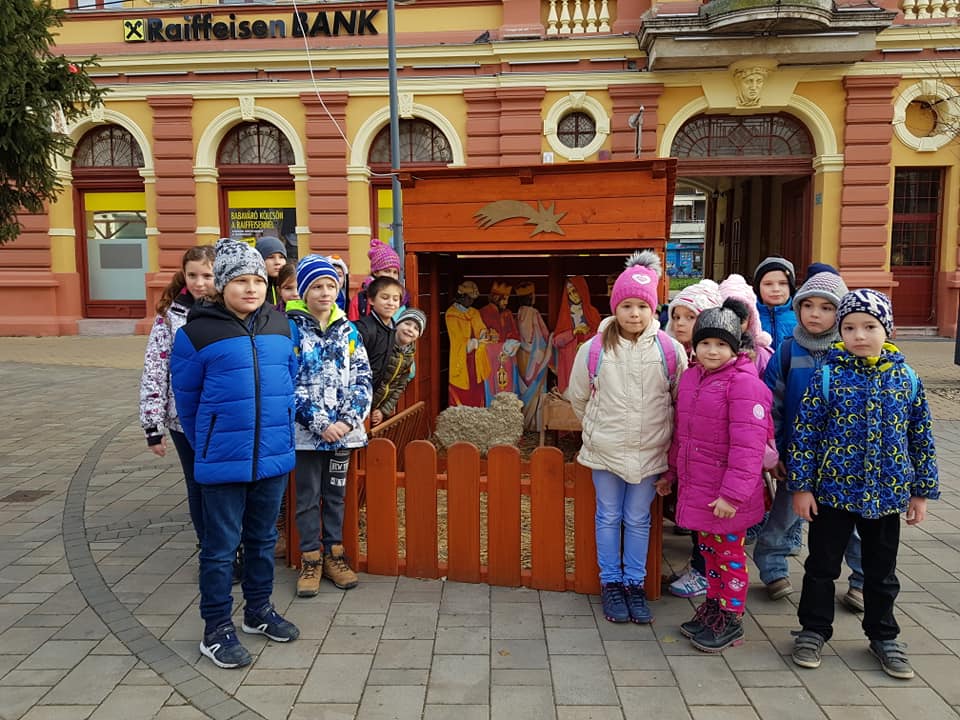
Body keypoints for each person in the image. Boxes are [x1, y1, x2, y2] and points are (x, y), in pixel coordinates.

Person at [788, 289, 939, 679]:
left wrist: (921, 492)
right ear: (840, 332)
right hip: (833, 494)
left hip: (886, 496)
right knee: (821, 567)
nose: (859, 335)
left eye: (869, 327)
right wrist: (801, 487)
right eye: (850, 327)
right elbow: (805, 435)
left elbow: (921, 437)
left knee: (881, 571)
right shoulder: (827, 375)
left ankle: (883, 635)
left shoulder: (906, 378)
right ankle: (813, 630)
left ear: (887, 330)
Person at [170, 238, 300, 669]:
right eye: (241, 281)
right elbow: (188, 402)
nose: (251, 288)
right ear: (222, 284)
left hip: (273, 456)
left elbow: (290, 380)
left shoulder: (282, 326)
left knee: (263, 540)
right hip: (223, 459)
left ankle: (258, 611)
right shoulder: (195, 334)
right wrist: (209, 443)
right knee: (221, 548)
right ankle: (216, 629)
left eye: (258, 280)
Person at [567, 251, 687, 625]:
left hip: (650, 453)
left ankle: (634, 583)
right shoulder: (594, 349)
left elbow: (679, 400)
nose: (634, 314)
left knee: (637, 518)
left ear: (653, 309)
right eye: (627, 306)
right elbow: (579, 397)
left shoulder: (669, 350)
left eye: (642, 306)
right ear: (615, 308)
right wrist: (599, 429)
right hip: (606, 451)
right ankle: (611, 583)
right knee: (608, 515)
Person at [658, 306, 771, 652]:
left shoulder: (744, 384)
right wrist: (671, 473)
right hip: (701, 489)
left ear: (735, 347)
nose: (711, 350)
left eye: (721, 344)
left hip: (726, 496)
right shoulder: (692, 378)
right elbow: (683, 435)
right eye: (705, 343)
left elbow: (748, 449)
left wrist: (732, 496)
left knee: (730, 558)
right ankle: (714, 608)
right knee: (709, 554)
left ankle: (731, 618)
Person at [754, 268, 864, 604]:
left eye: (827, 307)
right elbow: (772, 407)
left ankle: (862, 579)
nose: (815, 313)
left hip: (843, 463)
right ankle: (773, 569)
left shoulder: (852, 354)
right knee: (784, 516)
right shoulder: (788, 352)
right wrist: (775, 453)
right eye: (808, 305)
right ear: (798, 307)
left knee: (851, 525)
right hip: (797, 458)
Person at [287, 255, 372, 597]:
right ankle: (310, 558)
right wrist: (319, 423)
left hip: (342, 436)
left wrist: (348, 420)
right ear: (304, 292)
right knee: (307, 496)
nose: (325, 293)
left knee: (336, 495)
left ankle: (335, 554)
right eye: (317, 287)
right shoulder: (290, 330)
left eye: (330, 286)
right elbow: (286, 382)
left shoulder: (349, 330)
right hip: (306, 437)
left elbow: (363, 378)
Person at [139, 244, 216, 548]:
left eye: (207, 275)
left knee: (223, 484)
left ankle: (230, 545)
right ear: (183, 275)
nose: (199, 283)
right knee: (197, 483)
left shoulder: (230, 310)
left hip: (221, 414)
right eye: (192, 275)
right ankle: (207, 545)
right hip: (182, 418)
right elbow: (155, 369)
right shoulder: (170, 317)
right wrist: (152, 426)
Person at [662, 278, 722, 599]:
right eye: (676, 316)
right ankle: (700, 566)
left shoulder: (712, 362)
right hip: (683, 450)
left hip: (709, 458)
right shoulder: (676, 355)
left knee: (707, 520)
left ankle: (705, 572)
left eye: (690, 317)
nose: (680, 323)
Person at [371, 307, 426, 426]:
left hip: (378, 408)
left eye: (416, 328)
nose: (410, 329)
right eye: (407, 323)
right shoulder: (383, 344)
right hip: (364, 402)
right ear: (397, 324)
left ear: (418, 335)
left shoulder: (409, 356)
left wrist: (383, 410)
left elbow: (400, 386)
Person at [551, 276, 602, 394]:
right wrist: (573, 332)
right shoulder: (565, 314)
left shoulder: (593, 313)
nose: (573, 296)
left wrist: (587, 333)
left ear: (581, 290)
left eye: (574, 291)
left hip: (588, 358)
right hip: (568, 360)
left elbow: (600, 338)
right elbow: (556, 341)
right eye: (569, 293)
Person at [446, 280, 491, 407]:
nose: (471, 301)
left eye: (473, 299)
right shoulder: (451, 314)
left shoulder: (474, 312)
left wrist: (484, 334)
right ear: (462, 296)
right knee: (462, 392)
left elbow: (481, 328)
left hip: (476, 361)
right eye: (469, 298)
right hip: (461, 360)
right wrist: (475, 342)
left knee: (477, 391)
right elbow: (457, 340)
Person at [719, 273, 774, 375]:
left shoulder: (761, 354)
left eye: (740, 319)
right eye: (728, 316)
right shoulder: (708, 349)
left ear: (751, 319)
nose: (734, 324)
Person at [355, 276, 404, 391]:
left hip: (376, 393)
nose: (391, 303)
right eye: (385, 298)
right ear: (371, 300)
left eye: (395, 299)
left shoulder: (393, 329)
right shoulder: (363, 329)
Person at [515, 281, 551, 430]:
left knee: (523, 387)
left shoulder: (519, 312)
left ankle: (524, 421)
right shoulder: (533, 313)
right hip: (535, 358)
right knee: (535, 389)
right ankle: (534, 423)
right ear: (531, 297)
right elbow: (540, 335)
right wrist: (550, 340)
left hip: (521, 356)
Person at [478, 281, 521, 405]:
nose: (506, 302)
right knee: (491, 387)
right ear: (496, 298)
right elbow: (479, 335)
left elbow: (515, 334)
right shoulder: (483, 312)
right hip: (490, 358)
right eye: (504, 299)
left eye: (507, 299)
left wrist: (511, 343)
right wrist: (488, 337)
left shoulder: (508, 314)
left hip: (507, 357)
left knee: (509, 388)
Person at [348, 238, 403, 321]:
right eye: (387, 271)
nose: (391, 276)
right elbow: (353, 323)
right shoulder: (361, 299)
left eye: (395, 272)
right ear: (375, 272)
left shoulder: (402, 295)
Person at [753, 256, 797, 349]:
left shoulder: (801, 318)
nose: (776, 289)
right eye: (768, 284)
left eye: (783, 283)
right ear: (758, 287)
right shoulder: (750, 318)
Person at [256, 236, 288, 308]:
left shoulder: (294, 287)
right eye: (270, 257)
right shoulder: (254, 289)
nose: (277, 262)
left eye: (281, 257)